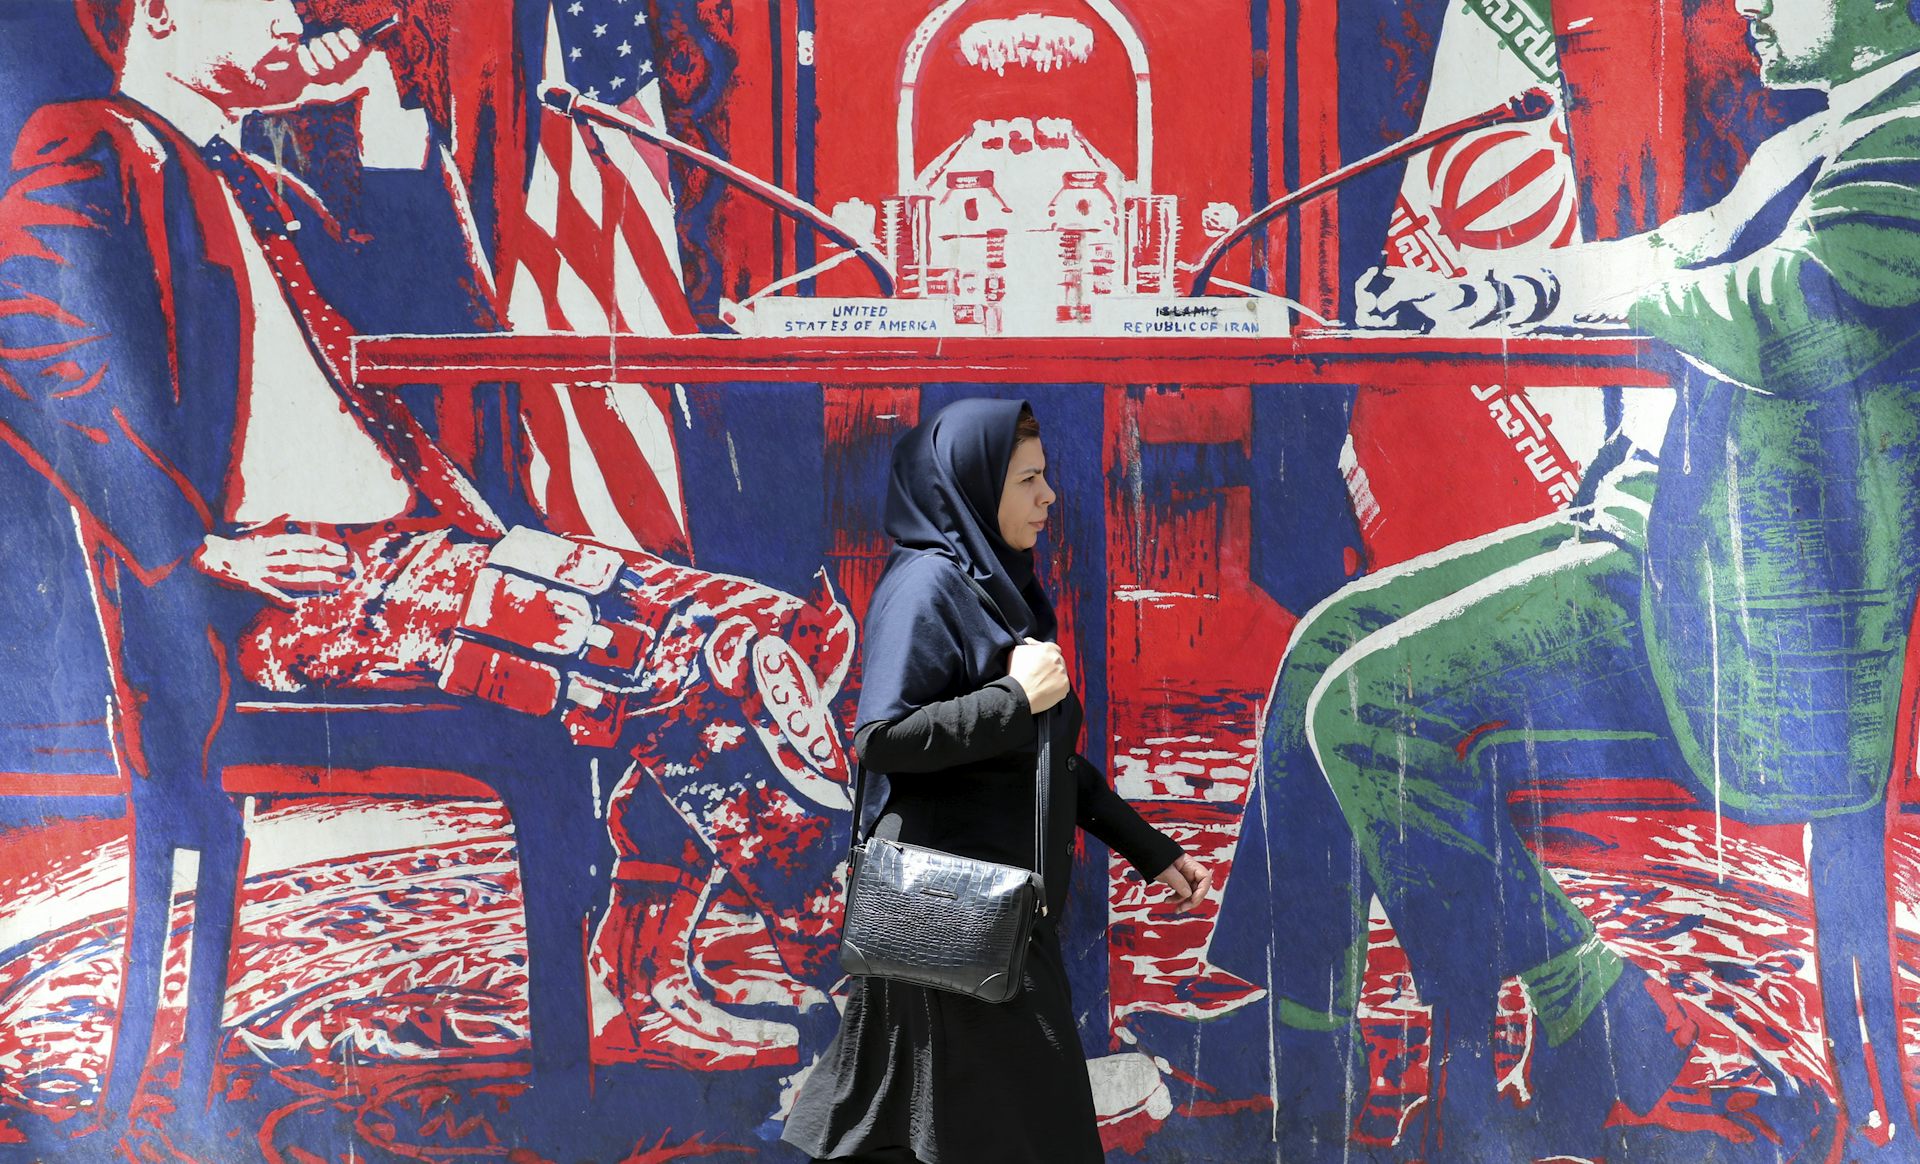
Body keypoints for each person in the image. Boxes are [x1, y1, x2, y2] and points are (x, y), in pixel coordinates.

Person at [0, 0, 854, 1158]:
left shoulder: (254, 184)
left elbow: (441, 308)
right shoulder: (91, 145)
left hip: (415, 558)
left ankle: (653, 956)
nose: (300, 17)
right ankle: (901, 1003)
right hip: (286, 599)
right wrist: (198, 548)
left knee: (777, 631)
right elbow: (40, 343)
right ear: (161, 9)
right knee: (692, 652)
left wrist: (382, 116)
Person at [1230, 0, 1920, 1156]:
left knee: (1362, 703)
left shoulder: (1908, 143)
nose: (1746, 3)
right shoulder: (1815, 139)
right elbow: (1671, 255)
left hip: (1742, 622)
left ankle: (1564, 1004)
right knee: (1320, 645)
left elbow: (1789, 317)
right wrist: (1489, 295)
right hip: (1663, 543)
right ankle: (1305, 1047)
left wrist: (1639, 292)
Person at [779, 397, 1214, 1164]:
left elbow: (1045, 760)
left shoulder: (995, 591)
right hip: (952, 912)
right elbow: (881, 738)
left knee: (965, 1135)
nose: (1049, 497)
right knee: (1026, 1134)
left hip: (997, 921)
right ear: (974, 489)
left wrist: (1148, 850)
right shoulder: (927, 587)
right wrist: (1015, 698)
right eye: (1029, 480)